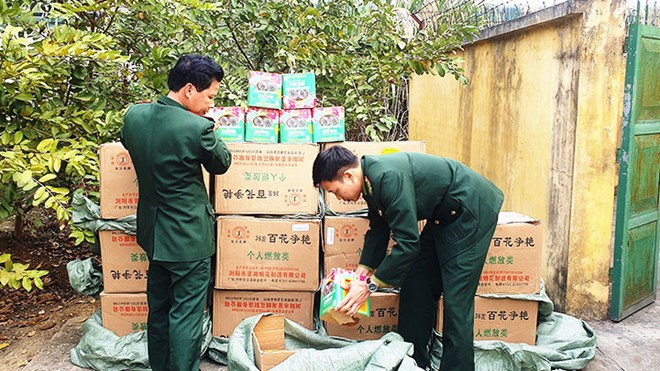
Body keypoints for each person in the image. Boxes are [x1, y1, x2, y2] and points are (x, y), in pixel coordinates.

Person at [312, 145, 504, 371]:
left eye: (335, 191)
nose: (338, 198)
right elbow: (379, 228)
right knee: (416, 282)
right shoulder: (370, 180)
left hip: (469, 211)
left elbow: (408, 244)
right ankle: (412, 361)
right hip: (442, 216)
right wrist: (361, 273)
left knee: (456, 300)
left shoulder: (387, 177)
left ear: (348, 175)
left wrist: (369, 286)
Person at [120, 54, 231, 371]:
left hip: (153, 235)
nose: (210, 104)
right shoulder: (198, 128)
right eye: (209, 96)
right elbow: (222, 163)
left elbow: (130, 141)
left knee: (158, 309)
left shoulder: (134, 117)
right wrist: (212, 129)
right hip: (188, 239)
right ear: (189, 90)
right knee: (186, 314)